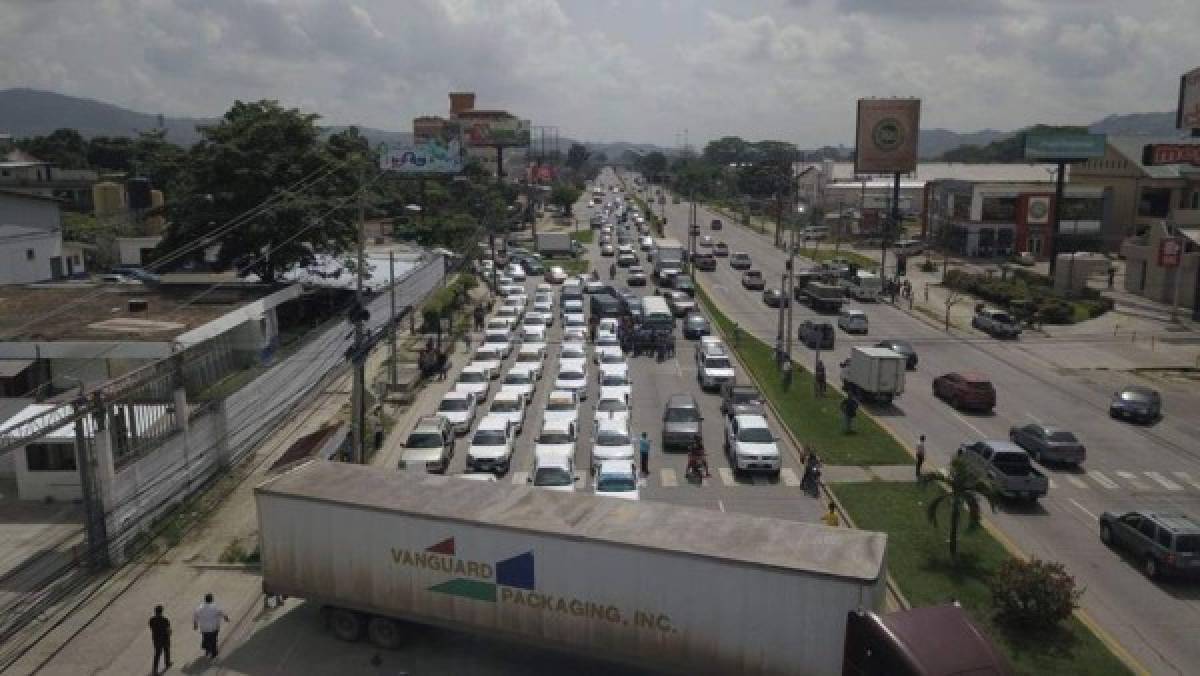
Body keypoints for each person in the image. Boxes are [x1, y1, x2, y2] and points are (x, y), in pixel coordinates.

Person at [193, 593, 229, 659]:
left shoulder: (199, 608)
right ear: (212, 599)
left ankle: (207, 649)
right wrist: (226, 619)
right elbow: (222, 613)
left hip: (204, 628)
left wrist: (195, 625)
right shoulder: (215, 607)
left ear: (205, 599)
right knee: (214, 640)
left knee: (206, 638)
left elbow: (195, 616)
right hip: (214, 627)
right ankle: (214, 653)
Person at [149, 605, 172, 675]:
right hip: (165, 638)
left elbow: (151, 628)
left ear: (155, 611)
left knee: (157, 654)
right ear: (162, 612)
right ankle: (167, 663)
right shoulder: (165, 620)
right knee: (167, 650)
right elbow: (168, 630)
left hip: (156, 639)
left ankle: (155, 670)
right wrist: (170, 633)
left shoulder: (151, 620)